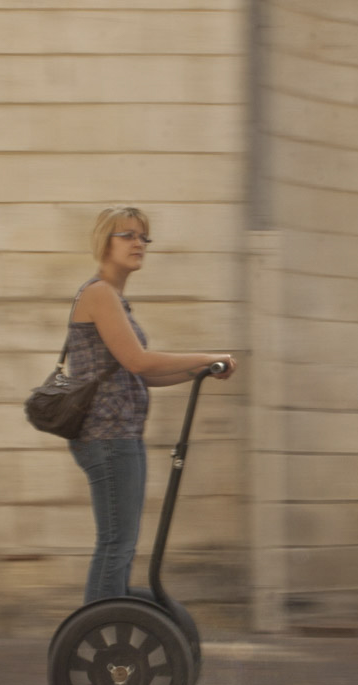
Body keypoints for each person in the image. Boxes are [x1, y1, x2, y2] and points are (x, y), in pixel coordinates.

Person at [66, 205, 235, 603]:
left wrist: (202, 371)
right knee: (116, 546)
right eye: (127, 235)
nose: (138, 243)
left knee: (121, 546)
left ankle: (108, 625)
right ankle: (101, 640)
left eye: (143, 236)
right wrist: (207, 356)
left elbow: (142, 375)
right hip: (106, 437)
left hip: (121, 436)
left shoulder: (115, 300)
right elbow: (138, 361)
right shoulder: (99, 294)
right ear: (104, 242)